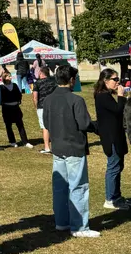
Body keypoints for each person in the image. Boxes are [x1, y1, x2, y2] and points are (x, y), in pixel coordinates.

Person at [43, 64, 99, 237]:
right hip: (74, 147)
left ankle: (62, 222)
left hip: (58, 147)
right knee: (78, 186)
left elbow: (46, 124)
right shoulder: (76, 100)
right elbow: (84, 124)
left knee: (60, 187)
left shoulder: (48, 100)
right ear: (72, 80)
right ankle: (79, 226)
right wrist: (96, 126)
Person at [93, 69, 130, 210]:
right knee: (113, 167)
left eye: (118, 79)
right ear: (105, 80)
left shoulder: (106, 95)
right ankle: (110, 199)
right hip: (111, 137)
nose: (117, 82)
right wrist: (121, 96)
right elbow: (117, 110)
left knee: (118, 166)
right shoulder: (102, 96)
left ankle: (117, 196)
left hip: (116, 135)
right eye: (115, 79)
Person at [0, 71, 32, 148]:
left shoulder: (14, 85)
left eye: (10, 76)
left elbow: (19, 95)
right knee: (8, 125)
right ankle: (12, 141)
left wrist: (18, 101)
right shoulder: (1, 87)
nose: (10, 77)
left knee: (20, 125)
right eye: (8, 76)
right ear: (4, 78)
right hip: (6, 108)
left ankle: (25, 141)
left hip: (15, 107)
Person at [32, 66, 56, 154]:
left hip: (42, 106)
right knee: (54, 126)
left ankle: (47, 147)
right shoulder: (53, 81)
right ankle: (56, 146)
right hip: (53, 106)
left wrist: (36, 106)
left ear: (41, 73)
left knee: (45, 127)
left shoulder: (37, 83)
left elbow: (35, 97)